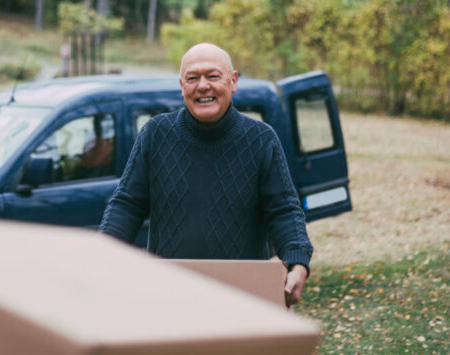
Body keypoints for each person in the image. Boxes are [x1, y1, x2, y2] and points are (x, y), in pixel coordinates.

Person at [99, 43, 313, 307]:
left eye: (213, 76)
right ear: (182, 86)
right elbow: (127, 204)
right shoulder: (155, 135)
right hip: (169, 293)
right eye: (192, 78)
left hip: (243, 295)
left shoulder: (261, 140)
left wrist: (298, 263)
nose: (202, 86)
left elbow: (284, 210)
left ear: (233, 81)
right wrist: (102, 255)